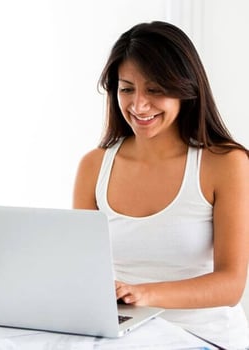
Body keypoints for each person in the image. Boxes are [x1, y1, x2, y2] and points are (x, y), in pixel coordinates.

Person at [73, 21, 248, 349]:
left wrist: (143, 294)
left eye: (154, 90)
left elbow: (231, 284)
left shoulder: (225, 163)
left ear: (185, 88)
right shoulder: (93, 166)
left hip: (203, 337)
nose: (139, 106)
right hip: (124, 337)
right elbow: (82, 271)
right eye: (127, 89)